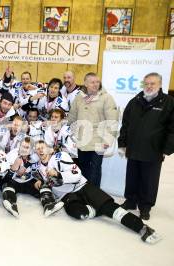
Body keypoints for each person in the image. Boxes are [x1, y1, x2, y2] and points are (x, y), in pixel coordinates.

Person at [35, 140, 161, 244]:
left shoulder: (60, 156)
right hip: (67, 195)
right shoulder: (39, 168)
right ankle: (98, 208)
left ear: (50, 149)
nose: (40, 150)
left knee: (111, 209)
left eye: (43, 147)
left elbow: (77, 174)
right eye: (37, 148)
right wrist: (40, 182)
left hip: (83, 186)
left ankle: (142, 228)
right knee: (78, 214)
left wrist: (58, 174)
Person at [118, 72, 174, 220]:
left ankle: (145, 206)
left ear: (160, 85)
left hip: (153, 150)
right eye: (146, 83)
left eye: (152, 83)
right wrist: (123, 142)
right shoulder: (135, 100)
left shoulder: (168, 102)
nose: (149, 86)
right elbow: (126, 123)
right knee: (132, 177)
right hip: (134, 148)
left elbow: (172, 129)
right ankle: (131, 201)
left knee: (149, 180)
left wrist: (166, 149)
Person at [67, 72, 119, 187]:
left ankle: (95, 196)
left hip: (99, 140)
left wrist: (108, 140)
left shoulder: (106, 98)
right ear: (85, 83)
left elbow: (113, 120)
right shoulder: (79, 97)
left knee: (95, 169)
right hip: (82, 141)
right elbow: (72, 117)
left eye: (97, 82)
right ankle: (84, 192)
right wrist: (65, 131)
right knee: (83, 167)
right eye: (92, 82)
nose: (95, 84)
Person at [1, 137, 64, 218]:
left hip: (28, 182)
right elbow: (3, 179)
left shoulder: (34, 156)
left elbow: (48, 152)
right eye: (22, 146)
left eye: (27, 147)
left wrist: (39, 179)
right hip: (14, 182)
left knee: (42, 183)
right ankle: (11, 204)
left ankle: (49, 205)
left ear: (31, 150)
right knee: (6, 185)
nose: (24, 149)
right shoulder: (11, 155)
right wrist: (13, 168)